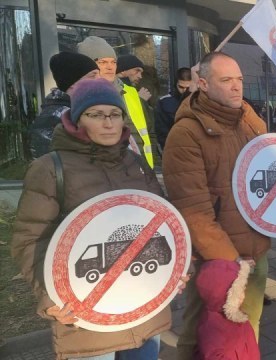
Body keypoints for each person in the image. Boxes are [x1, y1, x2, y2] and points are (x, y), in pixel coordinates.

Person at [11, 78, 171, 359]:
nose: (108, 123)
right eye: (96, 115)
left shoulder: (135, 163)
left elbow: (162, 222)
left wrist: (175, 268)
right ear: (77, 119)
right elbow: (30, 241)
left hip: (142, 307)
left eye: (114, 114)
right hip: (85, 316)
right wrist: (51, 297)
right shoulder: (50, 169)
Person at [163, 52, 276, 359]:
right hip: (218, 262)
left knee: (247, 330)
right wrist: (232, 263)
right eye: (226, 80)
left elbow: (267, 183)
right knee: (202, 335)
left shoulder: (249, 123)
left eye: (239, 79)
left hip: (256, 249)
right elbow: (193, 209)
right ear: (203, 84)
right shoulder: (186, 133)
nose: (237, 87)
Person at [77, 37, 154, 168]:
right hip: (104, 173)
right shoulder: (78, 96)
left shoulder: (131, 93)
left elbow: (148, 133)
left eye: (113, 62)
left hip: (140, 170)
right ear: (87, 65)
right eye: (103, 62)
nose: (110, 67)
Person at [29, 52, 99, 159]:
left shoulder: (83, 109)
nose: (100, 81)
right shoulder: (52, 118)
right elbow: (47, 165)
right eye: (93, 76)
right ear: (72, 81)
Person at [195, 259, 259, 359]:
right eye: (238, 291)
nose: (244, 294)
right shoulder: (211, 326)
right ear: (225, 295)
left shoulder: (237, 316)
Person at [155, 67, 192, 151]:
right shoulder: (164, 102)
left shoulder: (201, 101)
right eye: (181, 87)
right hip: (174, 148)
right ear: (176, 85)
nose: (184, 91)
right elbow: (161, 131)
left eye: (188, 88)